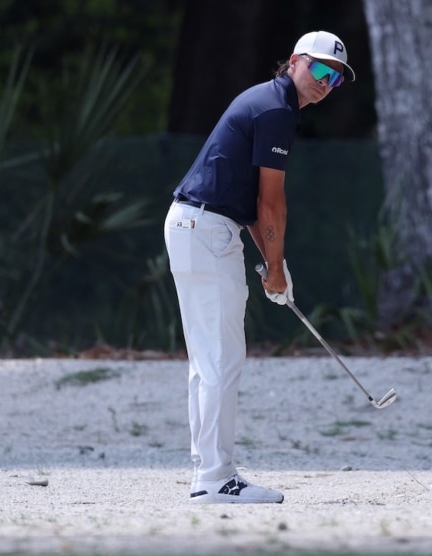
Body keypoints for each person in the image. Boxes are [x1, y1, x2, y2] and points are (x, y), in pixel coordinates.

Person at [163, 31, 355, 504]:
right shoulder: (277, 110)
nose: (327, 82)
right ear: (294, 62)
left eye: (336, 78)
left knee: (208, 363)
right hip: (205, 232)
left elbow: (250, 204)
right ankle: (214, 478)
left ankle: (209, 472)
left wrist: (276, 266)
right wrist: (273, 268)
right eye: (320, 69)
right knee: (221, 362)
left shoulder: (271, 103)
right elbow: (271, 204)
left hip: (198, 228)